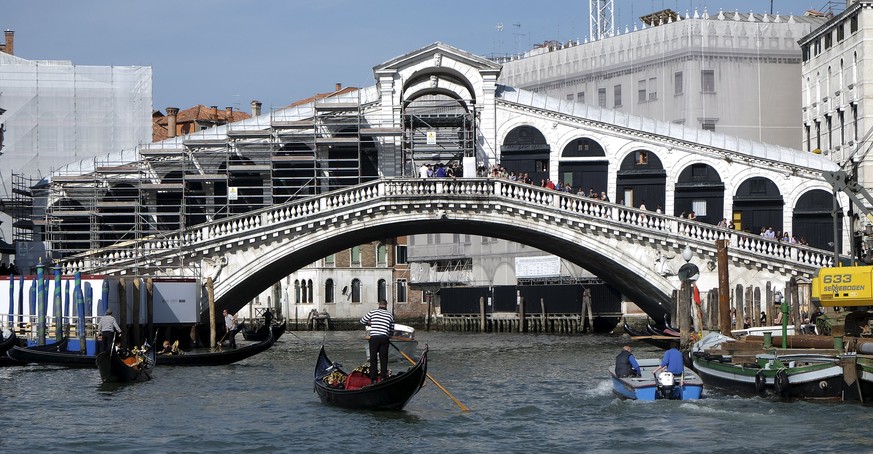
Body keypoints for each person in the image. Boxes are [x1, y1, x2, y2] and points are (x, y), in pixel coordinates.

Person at [360, 298, 395, 383]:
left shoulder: (373, 312)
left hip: (374, 338)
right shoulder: (390, 315)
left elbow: (362, 321)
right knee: (383, 358)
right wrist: (388, 335)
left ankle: (373, 379)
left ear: (379, 305)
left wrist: (370, 323)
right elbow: (392, 329)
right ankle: (383, 377)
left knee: (373, 358)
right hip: (384, 338)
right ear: (386, 305)